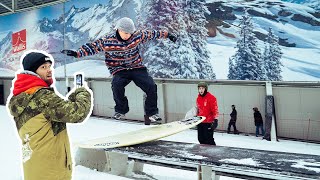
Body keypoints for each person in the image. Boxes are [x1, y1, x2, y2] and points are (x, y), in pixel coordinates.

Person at [61, 17, 177, 123]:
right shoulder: (108, 40)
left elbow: (152, 34)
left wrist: (168, 35)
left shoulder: (136, 36)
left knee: (151, 85)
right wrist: (77, 53)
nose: (128, 36)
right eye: (125, 33)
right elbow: (93, 47)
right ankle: (121, 110)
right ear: (119, 30)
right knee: (116, 84)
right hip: (119, 69)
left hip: (136, 67)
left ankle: (152, 113)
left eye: (130, 33)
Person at [7, 51, 93, 180]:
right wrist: (82, 92)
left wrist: (72, 98)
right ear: (32, 72)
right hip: (52, 168)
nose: (49, 70)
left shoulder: (21, 95)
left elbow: (58, 112)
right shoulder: (42, 96)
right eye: (43, 67)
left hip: (34, 165)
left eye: (49, 66)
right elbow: (77, 113)